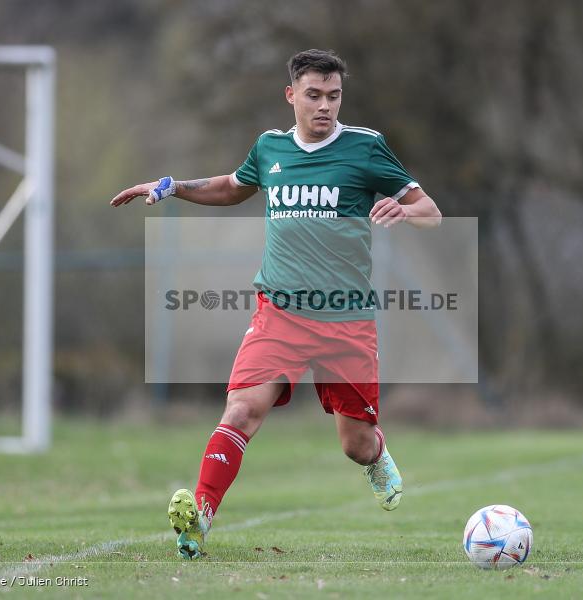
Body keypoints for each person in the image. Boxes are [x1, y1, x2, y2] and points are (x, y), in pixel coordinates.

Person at [110, 49, 441, 559]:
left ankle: (376, 456)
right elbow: (230, 187)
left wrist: (404, 206)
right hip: (279, 314)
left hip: (346, 320)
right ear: (291, 96)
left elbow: (431, 212)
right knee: (241, 410)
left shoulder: (366, 148)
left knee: (355, 444)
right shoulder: (269, 148)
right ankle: (200, 518)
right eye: (313, 95)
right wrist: (172, 186)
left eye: (333, 96)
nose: (324, 106)